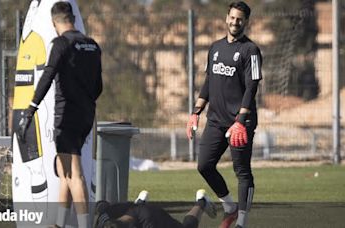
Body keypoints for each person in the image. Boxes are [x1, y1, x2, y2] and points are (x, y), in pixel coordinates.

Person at [17, 2, 102, 228]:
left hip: (66, 117)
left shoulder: (61, 44)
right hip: (85, 116)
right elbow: (98, 87)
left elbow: (47, 78)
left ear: (55, 23)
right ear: (73, 18)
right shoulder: (92, 45)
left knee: (75, 174)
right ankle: (59, 224)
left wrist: (30, 110)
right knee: (65, 171)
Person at [186, 2, 262, 228]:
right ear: (226, 18)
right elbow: (209, 82)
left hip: (240, 122)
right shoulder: (215, 47)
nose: (235, 22)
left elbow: (252, 87)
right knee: (204, 165)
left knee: (242, 172)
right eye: (232, 17)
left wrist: (240, 121)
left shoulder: (251, 50)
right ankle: (228, 206)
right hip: (216, 121)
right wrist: (195, 112)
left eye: (240, 19)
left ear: (245, 22)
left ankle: (241, 222)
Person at [94, 189, 217, 228]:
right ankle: (141, 201)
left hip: (152, 216)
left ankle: (201, 201)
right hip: (136, 209)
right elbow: (101, 205)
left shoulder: (150, 222)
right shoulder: (104, 218)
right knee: (137, 209)